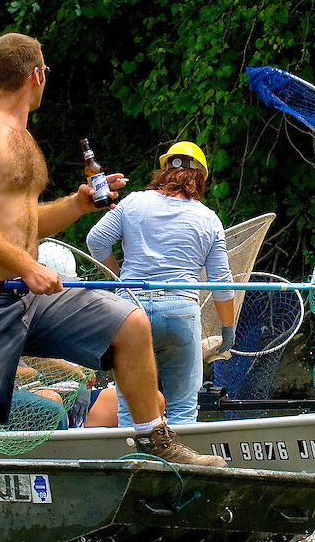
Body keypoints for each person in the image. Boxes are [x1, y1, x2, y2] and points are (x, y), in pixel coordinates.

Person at [0, 32, 223, 465]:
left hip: (27, 298)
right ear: (36, 75)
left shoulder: (21, 137)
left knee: (129, 323)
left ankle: (153, 439)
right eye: (45, 72)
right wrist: (25, 266)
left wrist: (76, 205)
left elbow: (23, 222)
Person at [87, 141, 236, 425]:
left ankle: (132, 465)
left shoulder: (134, 202)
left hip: (131, 310)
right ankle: (178, 467)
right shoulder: (209, 219)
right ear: (201, 178)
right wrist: (227, 331)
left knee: (131, 408)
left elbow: (96, 240)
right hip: (180, 311)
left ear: (164, 170)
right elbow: (221, 282)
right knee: (182, 408)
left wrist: (119, 278)